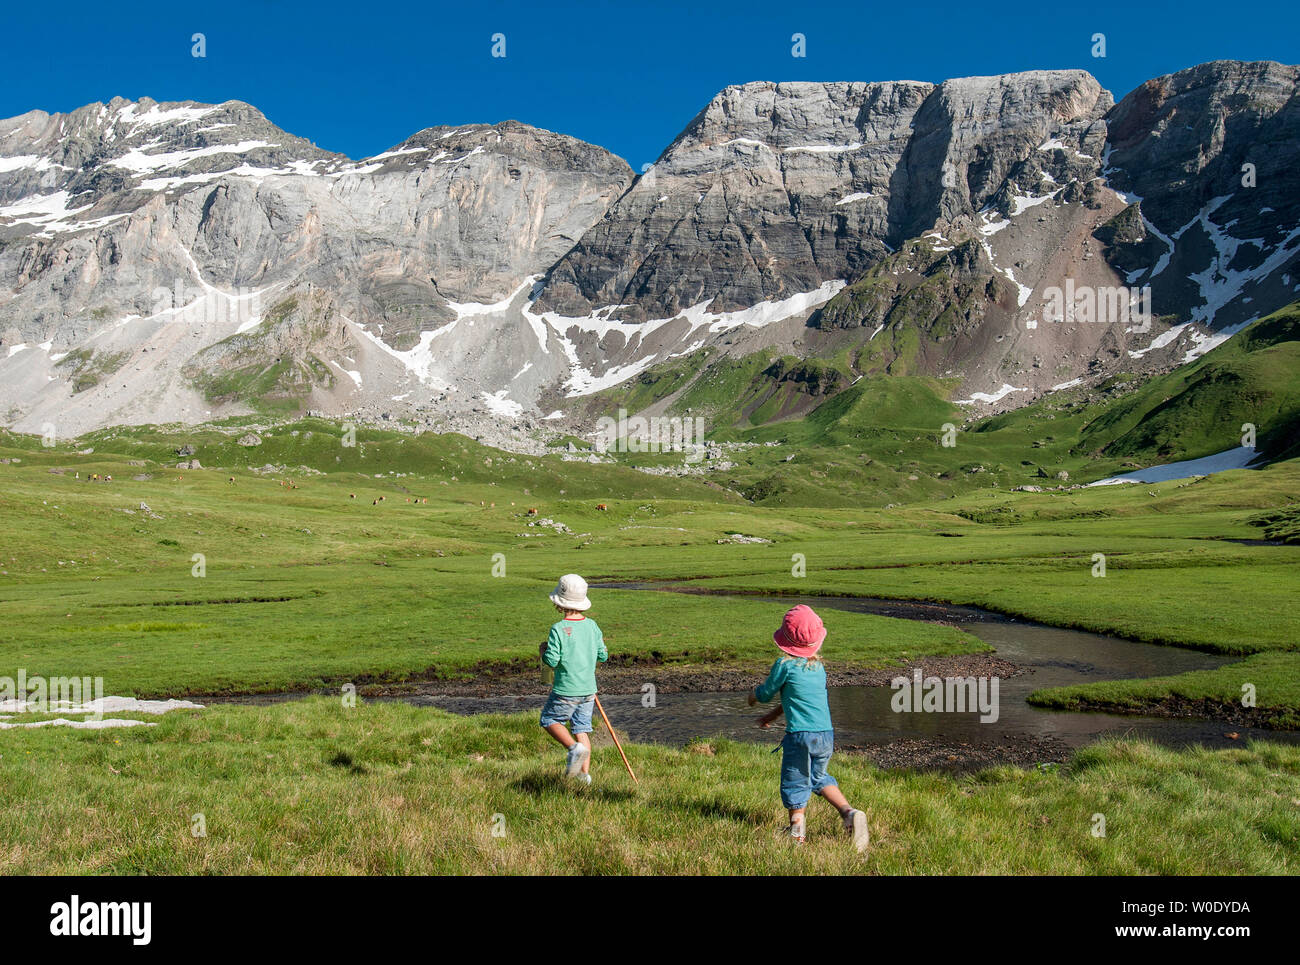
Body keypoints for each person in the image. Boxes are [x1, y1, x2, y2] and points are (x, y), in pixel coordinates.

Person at [748, 604, 869, 851]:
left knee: (795, 780)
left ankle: (796, 834)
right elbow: (797, 699)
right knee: (818, 777)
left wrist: (754, 696)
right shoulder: (818, 668)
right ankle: (848, 812)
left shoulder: (785, 665)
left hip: (799, 736)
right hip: (825, 734)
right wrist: (772, 715)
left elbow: (768, 692)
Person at [538, 574, 607, 784]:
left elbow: (551, 660)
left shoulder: (558, 629)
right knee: (582, 729)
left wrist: (543, 651)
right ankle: (583, 778)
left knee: (549, 720)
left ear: (560, 603)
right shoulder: (592, 626)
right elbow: (602, 655)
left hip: (566, 689)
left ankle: (573, 749)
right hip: (588, 690)